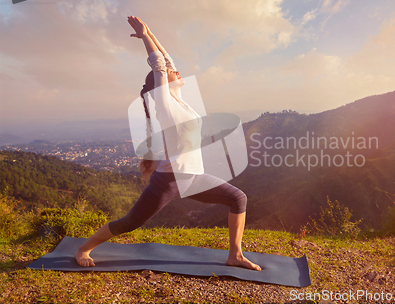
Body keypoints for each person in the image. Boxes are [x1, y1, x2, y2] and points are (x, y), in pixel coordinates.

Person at [74, 16, 261, 271]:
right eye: (172, 73)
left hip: (194, 177)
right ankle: (83, 249)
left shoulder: (179, 99)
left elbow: (167, 61)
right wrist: (145, 41)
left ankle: (235, 255)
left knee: (238, 198)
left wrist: (149, 34)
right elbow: (160, 66)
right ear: (161, 84)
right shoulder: (165, 105)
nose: (177, 71)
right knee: (130, 222)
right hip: (169, 182)